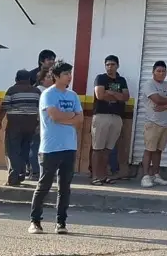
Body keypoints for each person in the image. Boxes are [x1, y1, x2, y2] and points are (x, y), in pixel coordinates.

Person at [29, 61, 82, 235]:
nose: (69, 76)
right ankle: (35, 221)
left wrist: (66, 119)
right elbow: (54, 115)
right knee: (44, 185)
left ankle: (61, 222)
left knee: (64, 187)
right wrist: (69, 117)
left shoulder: (73, 95)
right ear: (56, 76)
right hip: (50, 148)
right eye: (66, 73)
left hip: (69, 147)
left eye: (70, 73)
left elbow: (80, 119)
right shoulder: (48, 94)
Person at [0, 70, 40, 186]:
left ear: (16, 79)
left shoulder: (12, 90)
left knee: (13, 151)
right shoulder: (36, 91)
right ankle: (21, 174)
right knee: (25, 150)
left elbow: (4, 107)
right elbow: (41, 109)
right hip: (31, 125)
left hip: (15, 125)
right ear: (29, 79)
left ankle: (14, 177)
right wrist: (39, 125)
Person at [139, 61, 167, 188]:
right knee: (149, 149)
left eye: (163, 71)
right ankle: (145, 176)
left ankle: (155, 175)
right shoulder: (149, 84)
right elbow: (156, 99)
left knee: (158, 150)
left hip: (166, 123)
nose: (161, 73)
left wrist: (166, 105)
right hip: (152, 122)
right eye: (159, 71)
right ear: (153, 72)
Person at [91, 55, 128, 186]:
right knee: (97, 148)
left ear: (117, 65)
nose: (110, 67)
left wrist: (111, 92)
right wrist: (116, 95)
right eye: (107, 64)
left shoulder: (121, 80)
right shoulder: (100, 78)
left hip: (117, 116)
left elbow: (125, 97)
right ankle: (95, 176)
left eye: (112, 64)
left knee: (108, 149)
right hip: (101, 115)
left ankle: (104, 175)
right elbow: (100, 95)